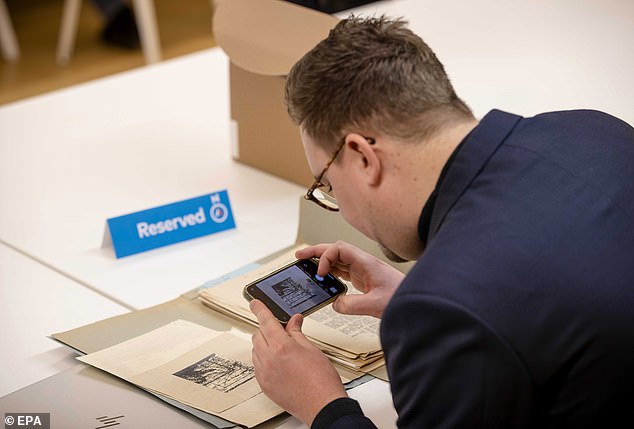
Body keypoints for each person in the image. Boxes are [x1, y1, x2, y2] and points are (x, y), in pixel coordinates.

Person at [249, 15, 634, 429]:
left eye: (327, 185)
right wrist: (420, 295)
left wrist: (324, 405)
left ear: (363, 158)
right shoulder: (593, 128)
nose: (336, 203)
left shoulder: (445, 307)